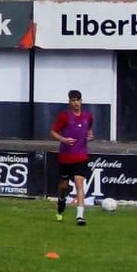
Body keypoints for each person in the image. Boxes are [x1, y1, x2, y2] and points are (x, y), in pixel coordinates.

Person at [51, 88, 97, 224]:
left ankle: (80, 216)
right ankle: (61, 201)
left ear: (81, 101)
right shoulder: (64, 116)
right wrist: (63, 139)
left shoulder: (88, 116)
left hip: (81, 156)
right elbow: (53, 132)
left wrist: (90, 136)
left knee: (79, 184)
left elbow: (89, 130)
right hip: (65, 157)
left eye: (78, 100)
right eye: (73, 100)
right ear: (69, 102)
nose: (76, 103)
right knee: (63, 186)